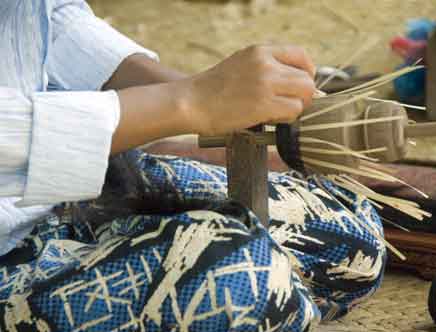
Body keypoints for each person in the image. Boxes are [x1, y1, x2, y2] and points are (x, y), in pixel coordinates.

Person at [0, 1, 386, 331]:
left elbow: (48, 17)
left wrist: (215, 96)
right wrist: (188, 102)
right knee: (248, 284)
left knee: (353, 240)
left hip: (64, 197)